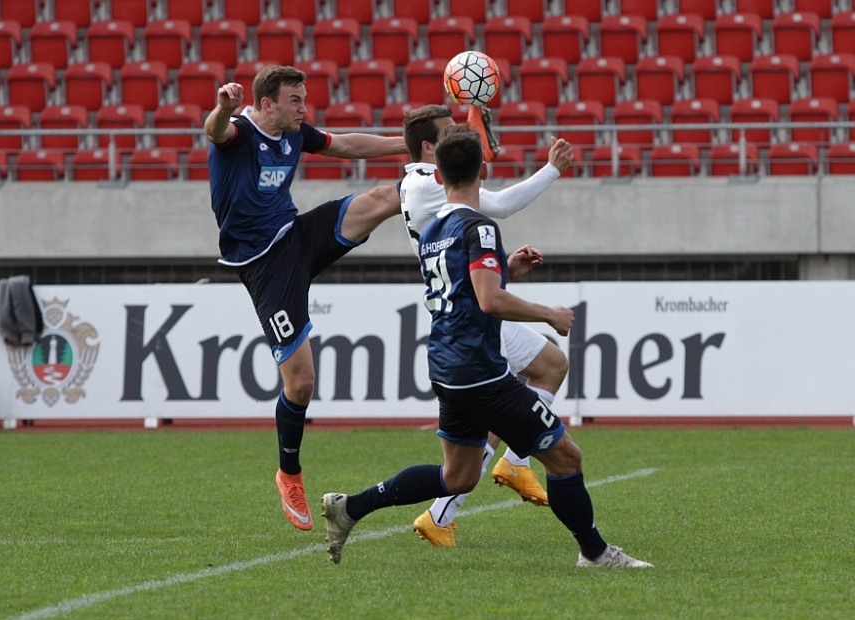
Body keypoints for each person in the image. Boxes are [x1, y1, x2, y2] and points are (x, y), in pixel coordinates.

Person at [322, 125, 652, 568]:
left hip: (445, 365)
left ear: (438, 177)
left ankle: (351, 508)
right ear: (482, 169)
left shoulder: (434, 228)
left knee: (456, 476)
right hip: (480, 369)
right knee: (566, 457)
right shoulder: (479, 228)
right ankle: (594, 553)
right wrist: (549, 314)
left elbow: (465, 290)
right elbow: (488, 299)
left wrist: (507, 268)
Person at [204, 65, 407, 530]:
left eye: (304, 98)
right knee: (301, 383)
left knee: (382, 198)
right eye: (295, 100)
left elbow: (350, 146)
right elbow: (214, 130)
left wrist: (413, 146)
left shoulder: (297, 133)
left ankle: (446, 173)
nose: (303, 107)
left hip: (296, 236)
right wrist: (222, 107)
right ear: (267, 104)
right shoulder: (238, 131)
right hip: (262, 265)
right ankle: (289, 474)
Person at [399, 105, 575, 546]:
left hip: (461, 310)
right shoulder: (427, 186)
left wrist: (506, 270)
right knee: (552, 364)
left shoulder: (416, 185)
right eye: (446, 134)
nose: (454, 137)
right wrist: (551, 170)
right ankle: (516, 461)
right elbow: (499, 204)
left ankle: (441, 514)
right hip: (469, 321)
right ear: (428, 149)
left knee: (504, 403)